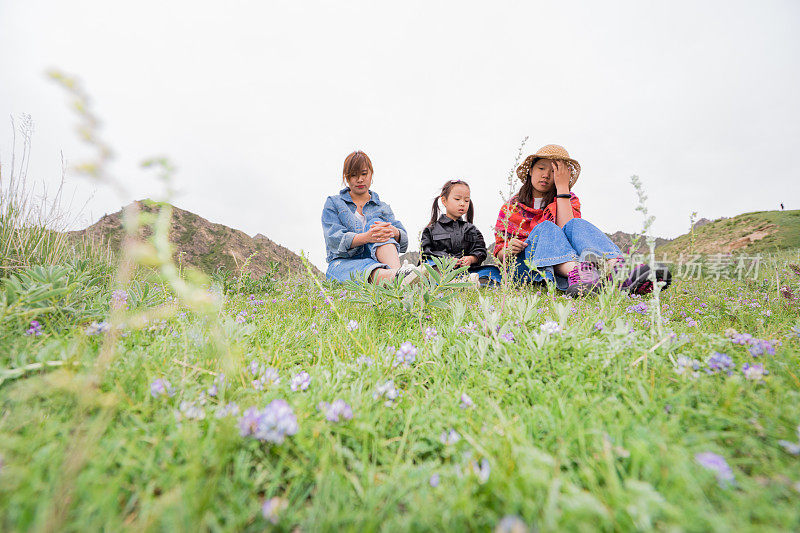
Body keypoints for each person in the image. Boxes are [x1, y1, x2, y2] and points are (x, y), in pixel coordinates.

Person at [493, 144, 670, 296]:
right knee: (545, 227)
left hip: (566, 265)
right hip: (526, 267)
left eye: (554, 171)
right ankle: (582, 274)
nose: (546, 175)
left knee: (577, 224)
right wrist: (508, 250)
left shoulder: (569, 199)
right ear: (531, 170)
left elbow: (569, 231)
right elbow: (500, 253)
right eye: (541, 168)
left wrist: (563, 188)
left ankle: (618, 271)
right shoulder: (511, 207)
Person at [321, 151, 420, 284]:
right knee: (358, 269)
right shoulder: (334, 203)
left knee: (377, 224)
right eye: (353, 175)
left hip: (379, 259)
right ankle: (399, 279)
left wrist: (393, 231)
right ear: (346, 177)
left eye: (364, 174)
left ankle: (399, 275)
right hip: (344, 263)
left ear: (371, 174)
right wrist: (366, 237)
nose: (360, 179)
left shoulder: (382, 207)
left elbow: (403, 240)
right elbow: (333, 239)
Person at [420, 179, 502, 287]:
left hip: (467, 272)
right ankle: (449, 282)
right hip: (442, 271)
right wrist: (447, 260)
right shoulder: (431, 229)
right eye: (457, 199)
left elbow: (481, 250)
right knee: (428, 265)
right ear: (444, 201)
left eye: (466, 200)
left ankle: (467, 282)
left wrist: (471, 258)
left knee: (495, 272)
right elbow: (425, 252)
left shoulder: (472, 229)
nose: (462, 203)